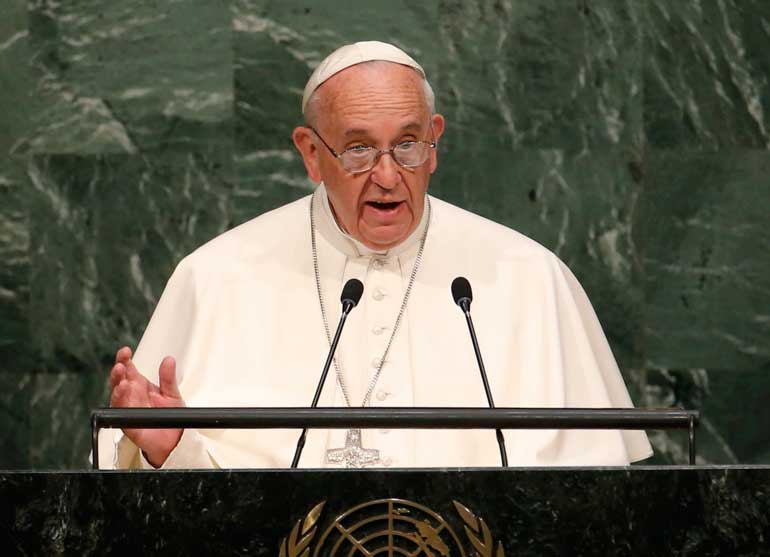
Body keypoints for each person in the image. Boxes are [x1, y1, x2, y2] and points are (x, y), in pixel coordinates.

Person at [104, 41, 652, 469]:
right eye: (359, 148)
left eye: (408, 144)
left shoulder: (533, 279)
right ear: (312, 154)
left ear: (435, 141)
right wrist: (169, 445)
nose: (388, 176)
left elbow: (596, 497)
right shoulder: (215, 278)